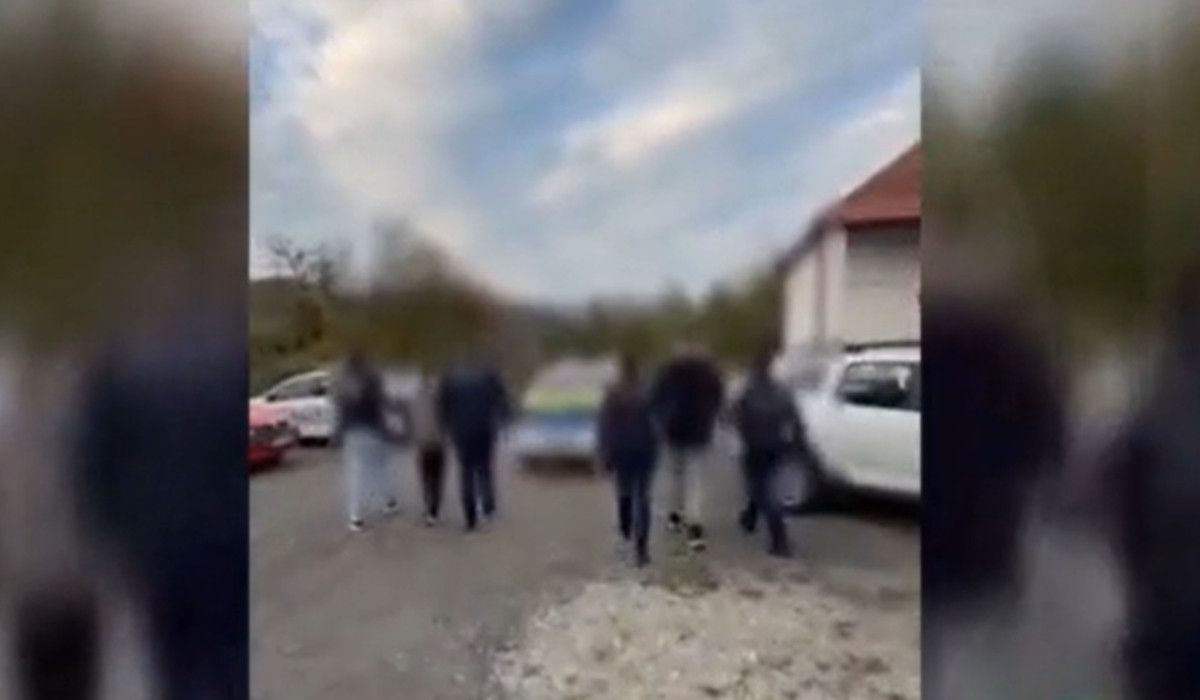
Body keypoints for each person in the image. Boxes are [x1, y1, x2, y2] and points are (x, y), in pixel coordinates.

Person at [649, 340, 725, 551]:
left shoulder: (667, 372)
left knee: (676, 476)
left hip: (673, 431)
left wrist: (661, 419)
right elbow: (718, 398)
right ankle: (694, 526)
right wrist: (710, 417)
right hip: (699, 431)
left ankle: (675, 517)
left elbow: (654, 399)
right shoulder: (708, 372)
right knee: (695, 480)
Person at [731, 347, 801, 558]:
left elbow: (734, 416)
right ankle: (749, 517)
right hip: (777, 444)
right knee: (765, 484)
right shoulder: (781, 389)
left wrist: (741, 435)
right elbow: (793, 417)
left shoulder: (747, 389)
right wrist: (793, 442)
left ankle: (780, 541)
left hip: (754, 445)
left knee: (762, 489)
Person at [436, 350, 512, 531]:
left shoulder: (450, 379)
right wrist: (504, 422)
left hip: (461, 431)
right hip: (485, 428)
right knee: (485, 468)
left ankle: (470, 515)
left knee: (466, 471)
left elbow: (442, 406)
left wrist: (446, 428)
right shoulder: (489, 376)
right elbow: (502, 401)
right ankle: (488, 506)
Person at [597, 354, 659, 567]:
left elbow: (605, 426)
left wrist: (604, 453)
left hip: (621, 450)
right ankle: (642, 548)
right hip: (645, 450)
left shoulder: (613, 393)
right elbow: (658, 422)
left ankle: (625, 533)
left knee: (624, 494)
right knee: (644, 498)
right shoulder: (648, 392)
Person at [334, 347, 396, 532]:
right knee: (380, 467)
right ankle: (388, 501)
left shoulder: (342, 382)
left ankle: (355, 516)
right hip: (372, 428)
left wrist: (338, 432)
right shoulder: (372, 378)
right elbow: (381, 404)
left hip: (352, 431)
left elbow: (340, 410)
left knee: (356, 473)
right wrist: (387, 429)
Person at [410, 370, 448, 526]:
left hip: (422, 443)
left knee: (425, 478)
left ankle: (428, 505)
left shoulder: (415, 398)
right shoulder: (442, 399)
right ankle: (434, 510)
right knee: (437, 478)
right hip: (438, 443)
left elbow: (412, 420)